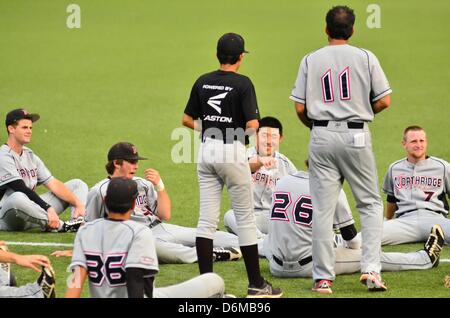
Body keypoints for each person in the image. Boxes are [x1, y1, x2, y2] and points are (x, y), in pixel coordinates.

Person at [290, 6, 392, 293]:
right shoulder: (365, 57)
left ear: (325, 29)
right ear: (353, 30)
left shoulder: (310, 59)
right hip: (356, 136)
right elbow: (384, 101)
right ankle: (371, 271)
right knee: (370, 205)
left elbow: (299, 107)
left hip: (321, 135)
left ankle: (323, 279)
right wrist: (360, 112)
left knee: (322, 211)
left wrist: (316, 127)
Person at [182, 32, 282, 298]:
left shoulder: (203, 81)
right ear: (240, 58)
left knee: (206, 222)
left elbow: (186, 119)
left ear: (217, 56)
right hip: (231, 151)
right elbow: (252, 126)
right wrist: (233, 133)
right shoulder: (243, 83)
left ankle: (206, 288)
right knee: (246, 221)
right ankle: (257, 285)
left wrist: (212, 128)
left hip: (205, 152)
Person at [262, 173, 445, 294]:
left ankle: (236, 247)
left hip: (275, 265)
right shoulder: (331, 187)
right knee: (369, 256)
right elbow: (352, 241)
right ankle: (424, 259)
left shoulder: (284, 181)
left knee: (266, 240)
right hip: (309, 265)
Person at [66, 177, 227, 298]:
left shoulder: (86, 232)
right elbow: (138, 281)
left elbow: (75, 283)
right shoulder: (139, 233)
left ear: (106, 201)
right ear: (133, 205)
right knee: (214, 280)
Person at [85, 142, 242, 264]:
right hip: (135, 237)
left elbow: (165, 214)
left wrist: (159, 186)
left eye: (136, 161)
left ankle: (259, 245)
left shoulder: (142, 184)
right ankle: (214, 254)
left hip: (160, 228)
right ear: (116, 163)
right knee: (164, 250)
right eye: (131, 162)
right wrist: (85, 250)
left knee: (204, 234)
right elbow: (90, 226)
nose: (136, 166)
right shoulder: (99, 191)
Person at [0, 109, 88, 232]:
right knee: (18, 197)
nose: (29, 131)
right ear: (11, 129)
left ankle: (79, 221)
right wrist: (48, 208)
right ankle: (62, 226)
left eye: (30, 128)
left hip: (34, 212)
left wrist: (78, 203)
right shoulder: (3, 156)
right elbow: (20, 188)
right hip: (9, 216)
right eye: (25, 127)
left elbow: (53, 183)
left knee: (77, 184)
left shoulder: (30, 155)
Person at [224, 116, 297, 236]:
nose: (268, 141)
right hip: (247, 217)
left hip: (275, 220)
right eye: (264, 136)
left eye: (274, 136)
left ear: (280, 138)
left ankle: (255, 241)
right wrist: (260, 161)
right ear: (256, 136)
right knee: (229, 216)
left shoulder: (286, 164)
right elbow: (242, 169)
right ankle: (262, 240)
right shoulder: (243, 156)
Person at [382, 125, 450, 245]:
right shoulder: (394, 168)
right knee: (367, 237)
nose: (418, 145)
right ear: (404, 144)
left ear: (426, 142)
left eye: (421, 141)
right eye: (413, 141)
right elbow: (391, 199)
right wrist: (386, 220)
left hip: (436, 221)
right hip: (404, 223)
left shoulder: (442, 167)